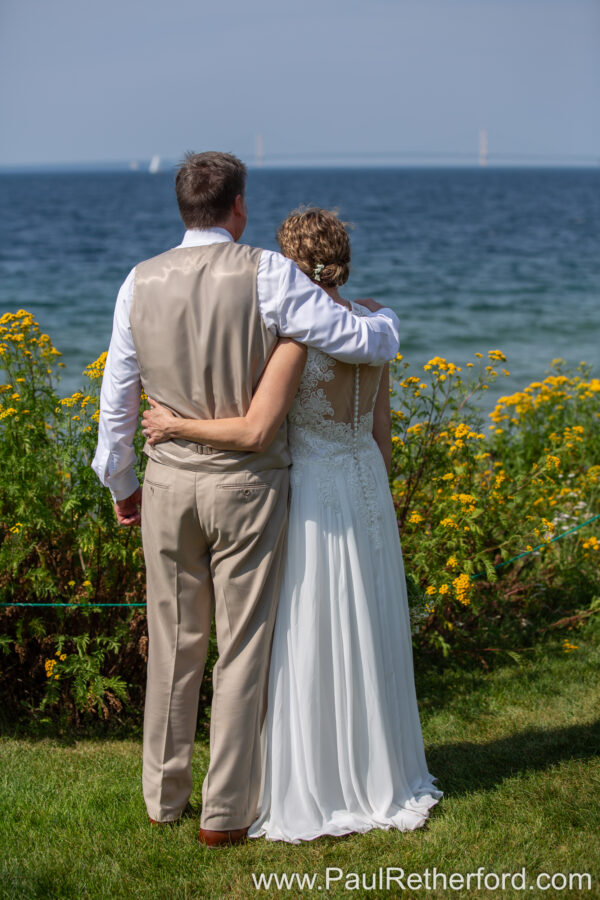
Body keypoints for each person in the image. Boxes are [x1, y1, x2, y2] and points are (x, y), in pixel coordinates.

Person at [91, 153, 400, 848]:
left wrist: (121, 483)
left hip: (168, 480)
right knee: (242, 647)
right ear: (238, 207)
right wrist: (389, 329)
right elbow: (351, 336)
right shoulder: (267, 273)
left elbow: (117, 395)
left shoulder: (136, 283)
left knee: (173, 645)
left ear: (184, 208)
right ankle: (224, 813)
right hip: (247, 485)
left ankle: (162, 799)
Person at [141, 207, 443, 843]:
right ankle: (380, 767)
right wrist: (374, 492)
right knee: (367, 627)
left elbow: (256, 429)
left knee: (310, 633)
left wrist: (173, 425)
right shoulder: (373, 319)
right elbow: (381, 434)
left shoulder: (295, 340)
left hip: (312, 494)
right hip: (366, 486)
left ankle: (317, 780)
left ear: (291, 266)